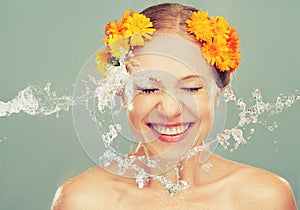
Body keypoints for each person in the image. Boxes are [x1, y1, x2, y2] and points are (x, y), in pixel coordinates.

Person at [51, 3, 297, 209]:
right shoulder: (84, 201)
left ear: (218, 94)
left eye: (191, 89)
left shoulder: (264, 199)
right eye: (148, 88)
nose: (170, 110)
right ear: (122, 94)